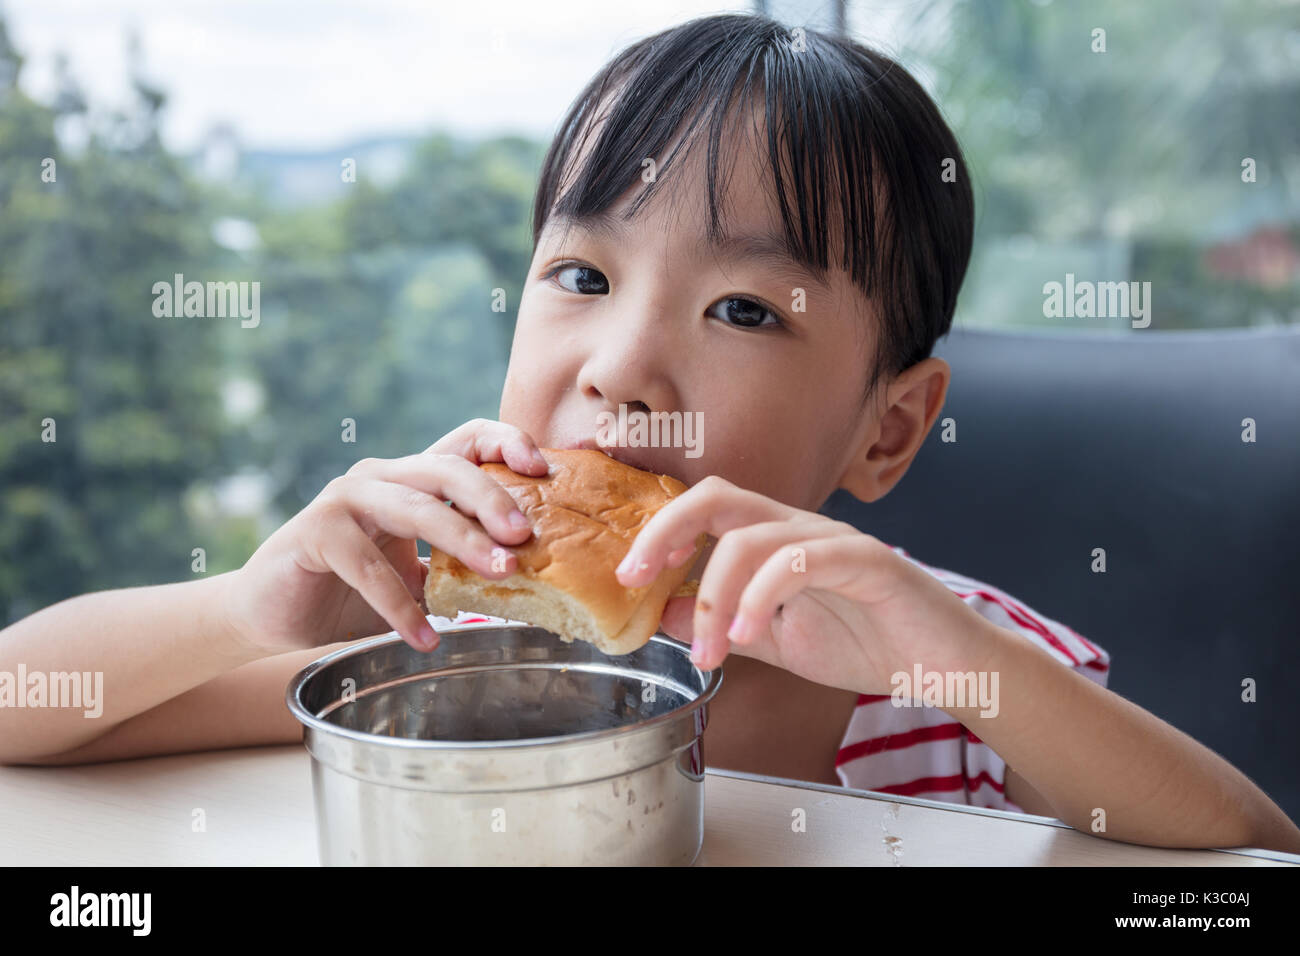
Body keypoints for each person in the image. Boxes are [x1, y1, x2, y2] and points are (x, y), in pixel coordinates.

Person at [3, 14, 1298, 853]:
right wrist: (246, 609)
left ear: (889, 429)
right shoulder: (448, 652)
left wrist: (940, 652)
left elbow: (1245, 851)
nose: (622, 370)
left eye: (743, 306)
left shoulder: (941, 673)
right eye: (581, 278)